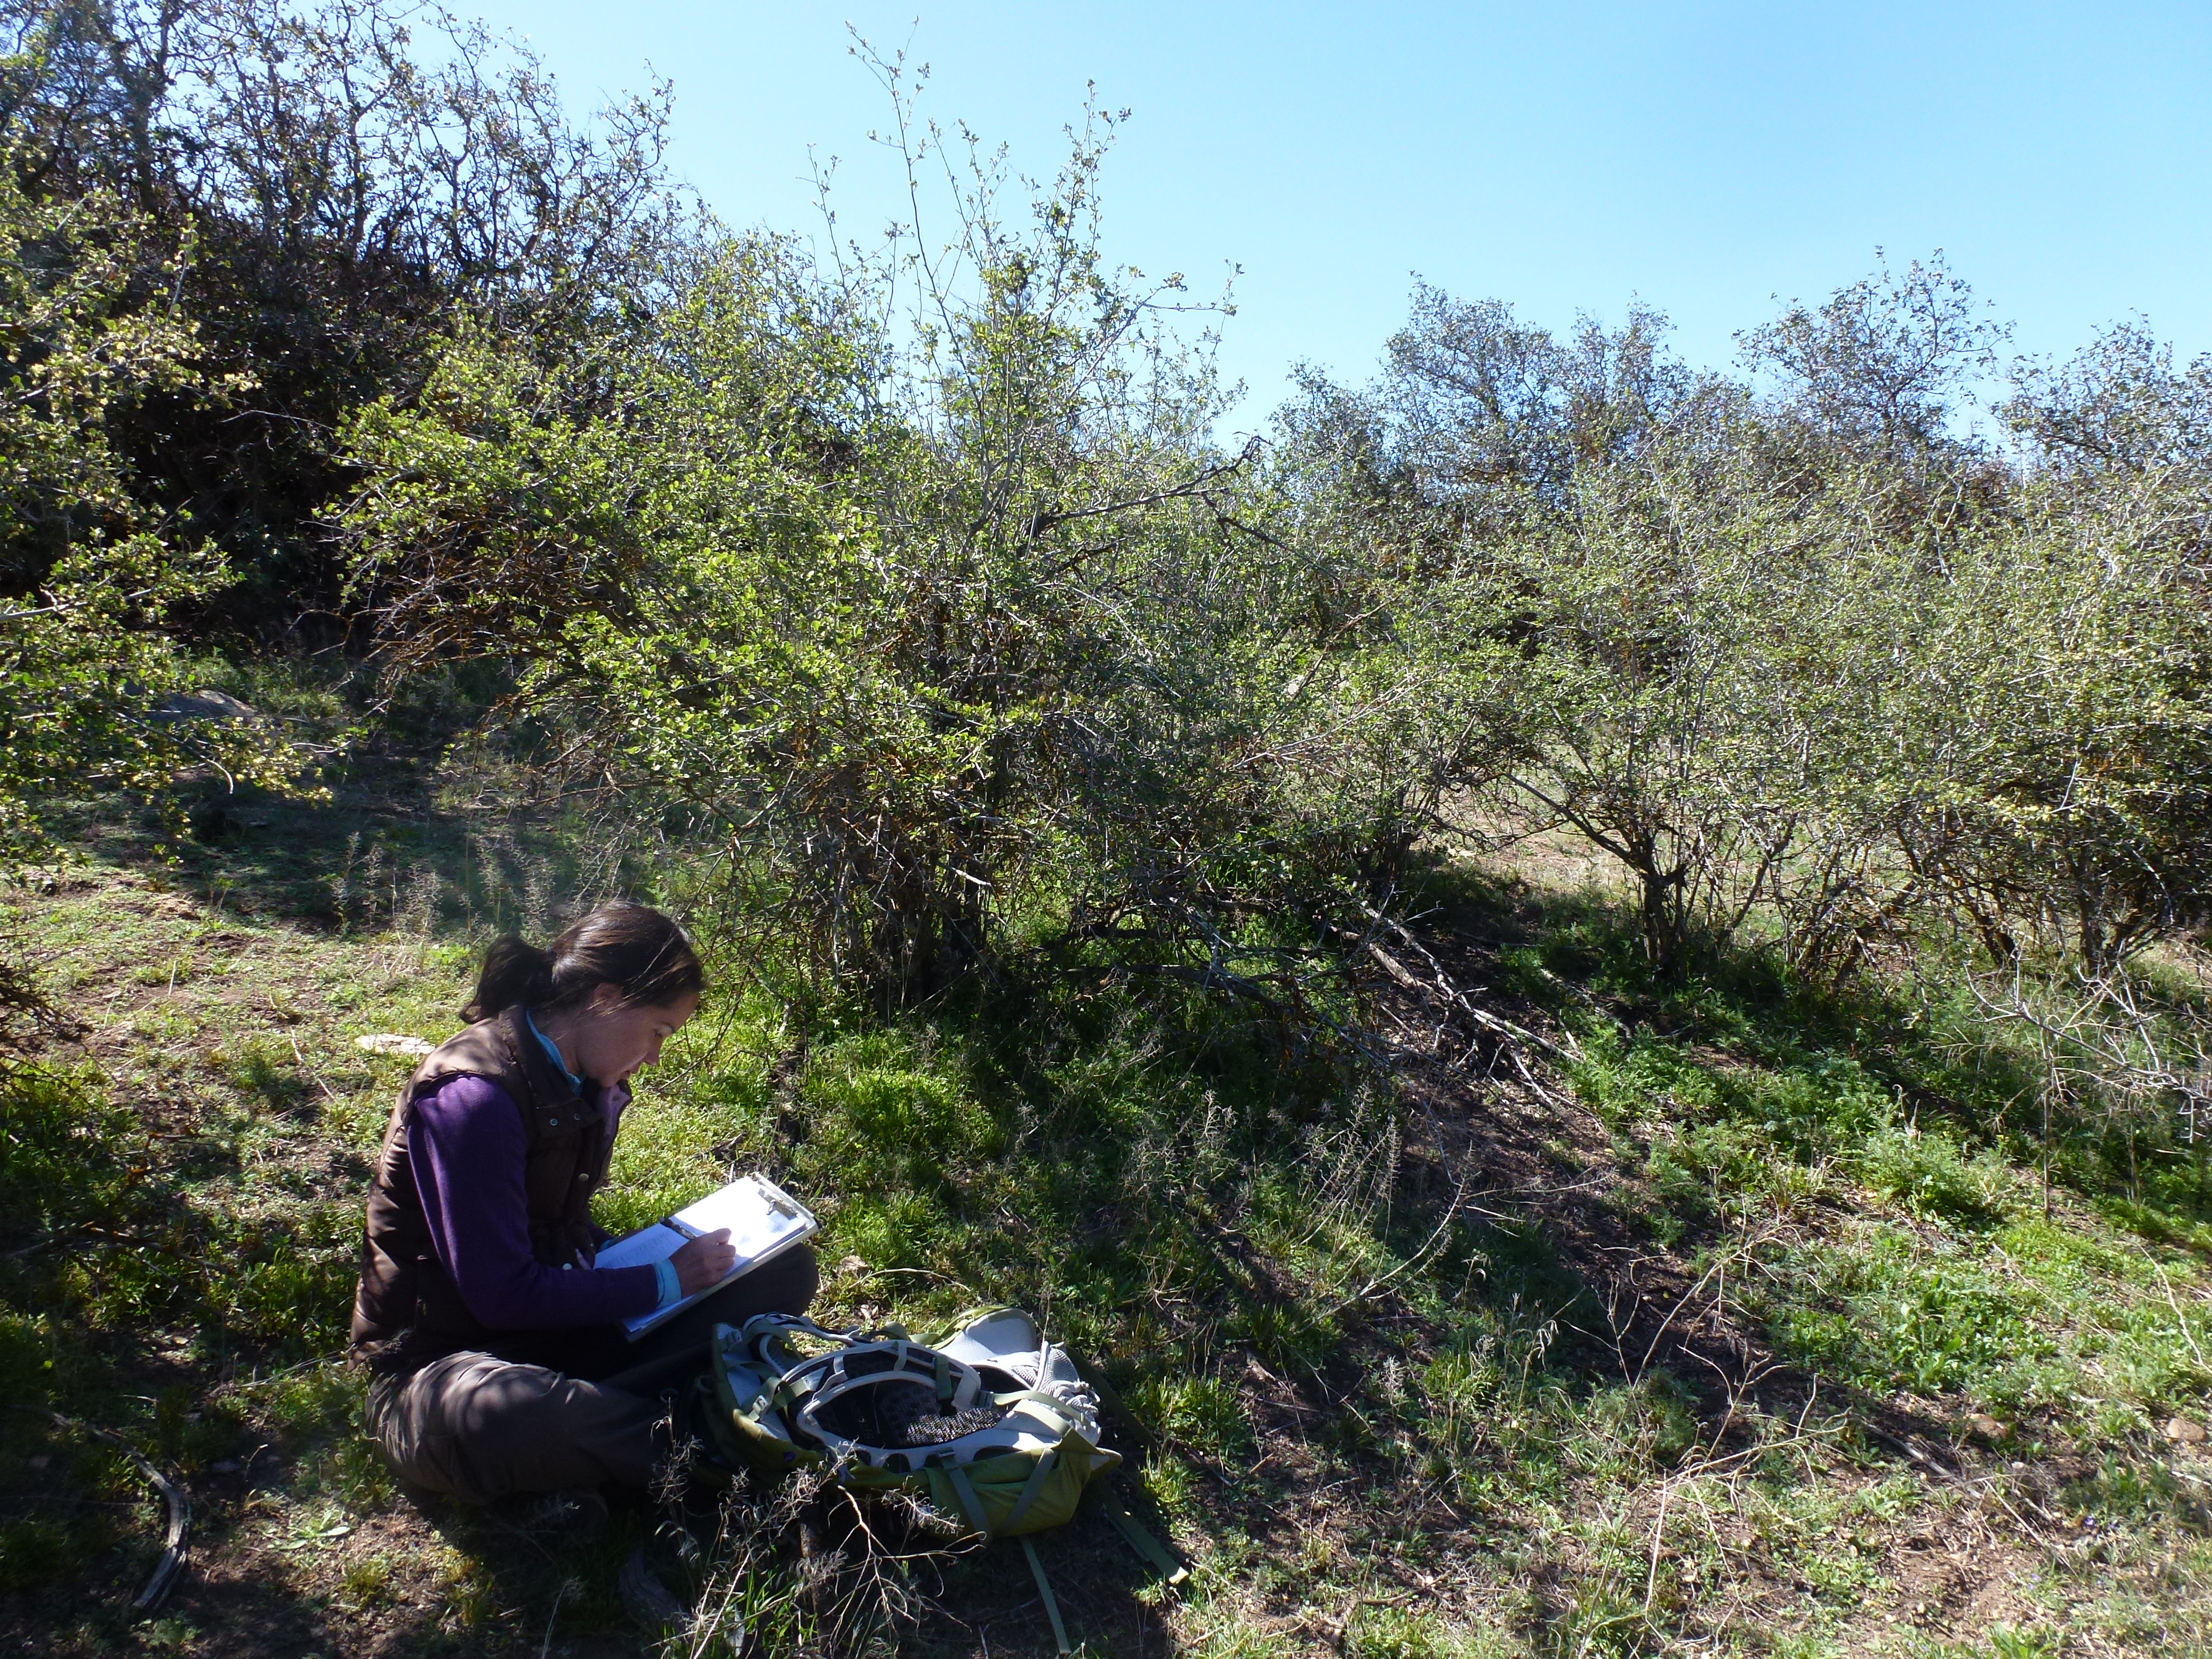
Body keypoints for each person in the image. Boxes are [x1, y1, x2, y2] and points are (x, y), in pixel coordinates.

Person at [351, 901, 817, 1504]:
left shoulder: (582, 1080)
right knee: (511, 1415)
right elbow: (501, 1295)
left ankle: (617, 1431)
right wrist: (664, 1282)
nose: (654, 1057)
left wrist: (654, 1263)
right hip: (438, 1368)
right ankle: (714, 1458)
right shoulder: (474, 1098)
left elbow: (557, 1224)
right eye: (658, 1032)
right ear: (605, 999)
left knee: (783, 1267)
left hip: (553, 1333)